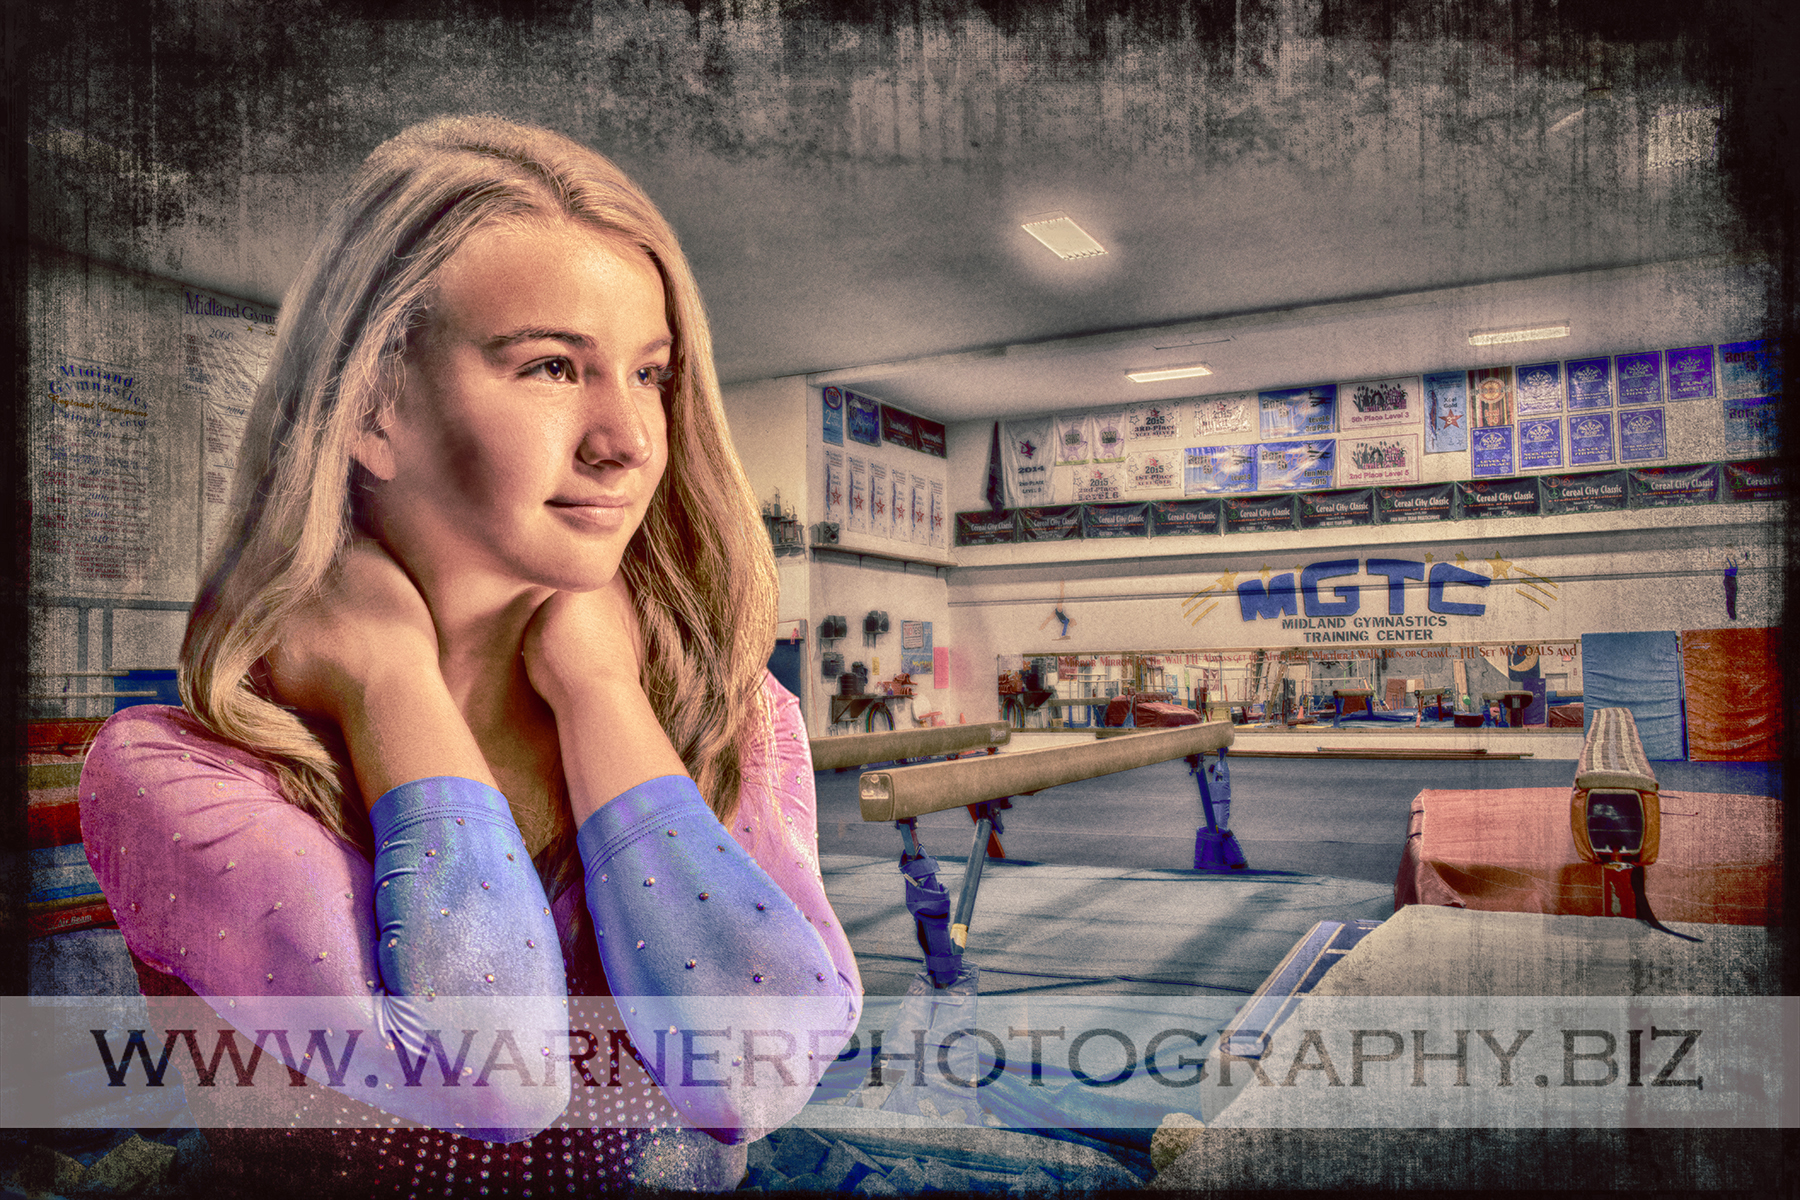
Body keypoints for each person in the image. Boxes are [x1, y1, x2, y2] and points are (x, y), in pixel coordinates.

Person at [78, 115, 860, 1195]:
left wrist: (599, 692)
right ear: (373, 406)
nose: (626, 440)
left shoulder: (729, 717)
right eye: (550, 366)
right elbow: (490, 1072)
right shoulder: (171, 772)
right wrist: (386, 679)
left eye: (650, 376)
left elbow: (755, 1072)